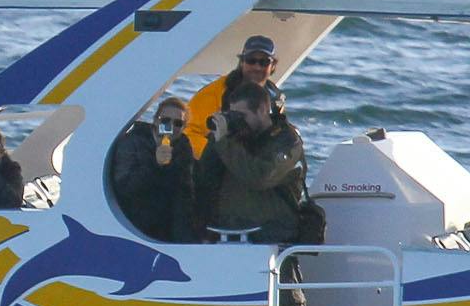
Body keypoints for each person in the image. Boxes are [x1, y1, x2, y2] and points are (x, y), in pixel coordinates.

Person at [194, 77, 318, 243]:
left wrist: (224, 142)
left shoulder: (287, 140)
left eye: (241, 115)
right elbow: (204, 178)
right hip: (227, 232)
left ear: (262, 110)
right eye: (232, 114)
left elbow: (261, 177)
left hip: (272, 234)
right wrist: (216, 140)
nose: (238, 121)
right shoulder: (233, 139)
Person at [107, 93, 203, 241]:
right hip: (135, 224)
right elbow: (124, 187)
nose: (171, 126)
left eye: (178, 123)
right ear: (155, 120)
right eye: (165, 120)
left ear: (184, 127)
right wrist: (155, 164)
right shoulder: (133, 142)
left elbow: (186, 192)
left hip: (168, 224)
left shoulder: (182, 146)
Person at [184, 32, 280, 144]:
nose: (257, 67)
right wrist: (219, 155)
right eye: (251, 60)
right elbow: (189, 132)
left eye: (264, 62)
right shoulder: (216, 93)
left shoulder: (275, 97)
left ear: (273, 66)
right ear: (242, 62)